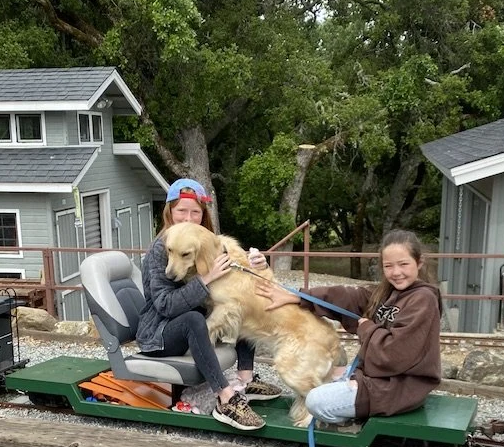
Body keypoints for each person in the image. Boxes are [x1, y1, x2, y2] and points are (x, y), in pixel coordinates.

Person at [135, 178, 282, 431]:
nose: (188, 218)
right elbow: (165, 306)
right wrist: (206, 279)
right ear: (169, 211)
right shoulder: (161, 249)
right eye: (181, 210)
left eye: (195, 212)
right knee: (194, 319)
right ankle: (226, 399)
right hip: (159, 332)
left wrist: (260, 265)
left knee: (238, 299)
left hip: (192, 321)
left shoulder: (207, 243)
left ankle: (245, 380)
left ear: (203, 216)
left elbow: (240, 282)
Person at [257, 230, 443, 425]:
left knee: (315, 400)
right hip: (378, 380)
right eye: (389, 266)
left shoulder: (423, 299)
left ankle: (348, 425)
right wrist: (299, 297)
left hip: (398, 388)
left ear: (419, 262)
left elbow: (394, 353)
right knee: (326, 379)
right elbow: (349, 296)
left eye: (403, 264)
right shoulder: (389, 292)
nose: (396, 272)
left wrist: (367, 329)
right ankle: (351, 402)